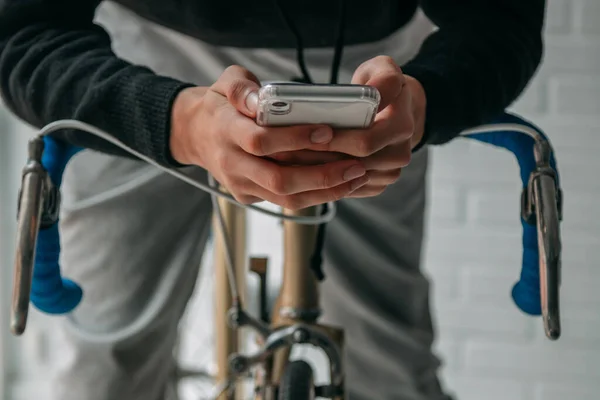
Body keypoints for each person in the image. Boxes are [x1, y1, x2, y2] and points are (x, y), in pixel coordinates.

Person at [0, 0, 545, 399]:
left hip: (367, 72)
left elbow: (501, 18)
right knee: (106, 358)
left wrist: (425, 101)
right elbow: (21, 32)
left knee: (388, 362)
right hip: (141, 54)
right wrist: (173, 123)